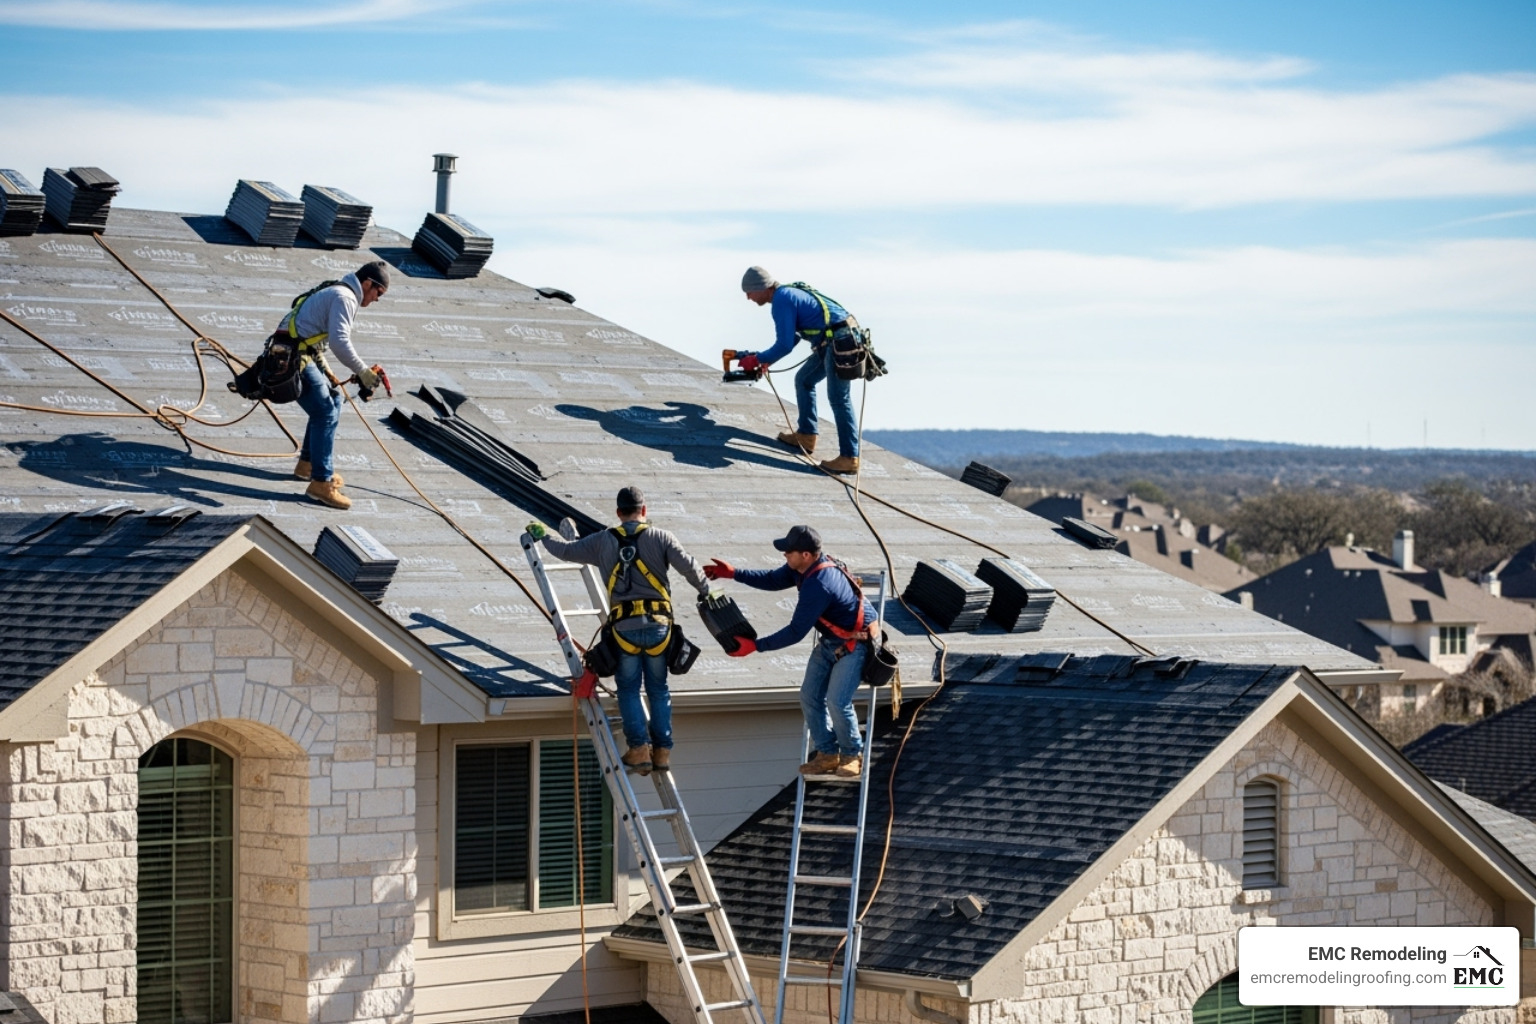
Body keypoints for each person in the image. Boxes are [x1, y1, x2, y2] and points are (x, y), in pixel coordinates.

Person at [526, 486, 711, 775]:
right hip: (659, 628)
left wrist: (543, 536)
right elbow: (689, 567)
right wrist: (705, 591)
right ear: (644, 511)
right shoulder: (661, 537)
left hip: (624, 629)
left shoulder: (602, 541)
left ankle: (639, 749)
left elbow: (565, 551)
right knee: (658, 689)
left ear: (618, 513)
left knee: (628, 689)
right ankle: (661, 753)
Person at [703, 525, 877, 778]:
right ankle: (828, 754)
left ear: (806, 555)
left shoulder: (819, 584)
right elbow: (773, 580)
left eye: (788, 552)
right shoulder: (803, 568)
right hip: (832, 641)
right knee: (809, 697)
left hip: (857, 644)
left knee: (837, 701)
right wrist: (733, 574)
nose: (784, 555)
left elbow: (796, 632)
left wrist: (756, 646)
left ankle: (852, 755)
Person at [282, 261, 389, 510]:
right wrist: (362, 372)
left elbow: (312, 334)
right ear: (368, 283)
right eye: (378, 293)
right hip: (292, 358)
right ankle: (322, 483)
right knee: (325, 412)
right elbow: (340, 342)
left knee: (334, 397)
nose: (377, 299)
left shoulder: (338, 290)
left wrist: (326, 369)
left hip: (296, 353)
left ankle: (308, 464)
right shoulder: (345, 297)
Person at [735, 266, 863, 475]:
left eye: (749, 292)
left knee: (839, 399)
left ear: (762, 287)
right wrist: (767, 360)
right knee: (804, 380)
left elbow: (784, 344)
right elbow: (793, 337)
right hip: (835, 339)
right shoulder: (787, 294)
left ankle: (849, 457)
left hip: (839, 341)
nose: (748, 298)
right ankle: (806, 435)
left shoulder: (781, 300)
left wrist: (757, 359)